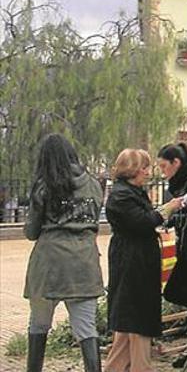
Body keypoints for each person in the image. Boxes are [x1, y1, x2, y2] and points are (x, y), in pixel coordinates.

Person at [23, 134, 105, 372]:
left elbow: (31, 231)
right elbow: (95, 223)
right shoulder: (92, 183)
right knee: (86, 329)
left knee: (39, 324)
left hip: (49, 265)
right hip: (84, 264)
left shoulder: (44, 186)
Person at [105, 149, 185, 372]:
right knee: (136, 317)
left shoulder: (133, 191)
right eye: (145, 167)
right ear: (132, 170)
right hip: (131, 262)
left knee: (128, 321)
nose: (149, 173)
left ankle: (116, 367)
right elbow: (142, 221)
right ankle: (141, 367)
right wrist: (167, 209)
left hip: (139, 259)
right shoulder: (121, 196)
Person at [156, 143, 187, 368]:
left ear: (176, 162)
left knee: (180, 294)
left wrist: (175, 213)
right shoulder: (179, 183)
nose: (162, 171)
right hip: (186, 248)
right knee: (183, 297)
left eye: (164, 166)